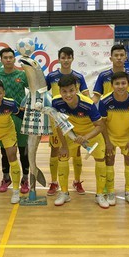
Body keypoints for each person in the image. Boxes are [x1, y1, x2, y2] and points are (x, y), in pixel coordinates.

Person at [52, 74, 108, 209]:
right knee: (63, 158)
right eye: (64, 91)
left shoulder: (88, 104)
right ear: (60, 92)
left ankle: (99, 195)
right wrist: (64, 146)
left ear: (76, 89)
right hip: (72, 134)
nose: (68, 95)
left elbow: (100, 126)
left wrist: (86, 137)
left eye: (71, 90)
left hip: (91, 133)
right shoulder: (56, 102)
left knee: (100, 160)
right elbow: (59, 125)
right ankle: (64, 193)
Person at [45, 47, 89, 196]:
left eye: (68, 57)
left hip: (75, 119)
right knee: (55, 149)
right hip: (56, 118)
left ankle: (76, 181)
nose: (66, 60)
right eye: (63, 57)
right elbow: (42, 93)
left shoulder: (78, 77)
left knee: (76, 150)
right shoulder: (51, 76)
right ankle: (54, 182)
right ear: (58, 59)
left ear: (72, 59)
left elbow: (86, 96)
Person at [99, 72, 129, 206]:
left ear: (128, 84)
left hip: (127, 137)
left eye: (123, 83)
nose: (121, 86)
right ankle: (111, 191)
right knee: (109, 161)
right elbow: (102, 123)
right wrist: (107, 141)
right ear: (112, 85)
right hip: (110, 136)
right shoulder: (105, 101)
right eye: (117, 84)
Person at [0, 47, 29, 194]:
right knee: (5, 151)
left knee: (23, 150)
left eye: (10, 57)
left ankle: (25, 179)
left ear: (14, 59)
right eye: (5, 57)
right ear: (1, 60)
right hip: (3, 117)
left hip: (20, 116)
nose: (8, 60)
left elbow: (34, 90)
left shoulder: (22, 74)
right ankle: (6, 178)